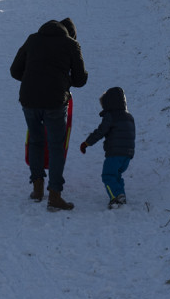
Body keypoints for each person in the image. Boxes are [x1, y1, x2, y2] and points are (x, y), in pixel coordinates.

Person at [9, 18, 88, 211]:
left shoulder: (32, 39)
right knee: (56, 146)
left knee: (35, 141)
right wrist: (63, 80)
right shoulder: (72, 45)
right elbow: (80, 79)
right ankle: (55, 195)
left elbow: (14, 70)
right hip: (55, 101)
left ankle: (37, 189)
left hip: (29, 99)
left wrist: (32, 78)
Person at [79, 87, 135, 208]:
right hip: (127, 154)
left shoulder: (111, 116)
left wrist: (87, 143)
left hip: (114, 154)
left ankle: (115, 198)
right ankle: (121, 195)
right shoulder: (129, 116)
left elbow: (100, 132)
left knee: (108, 176)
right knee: (117, 176)